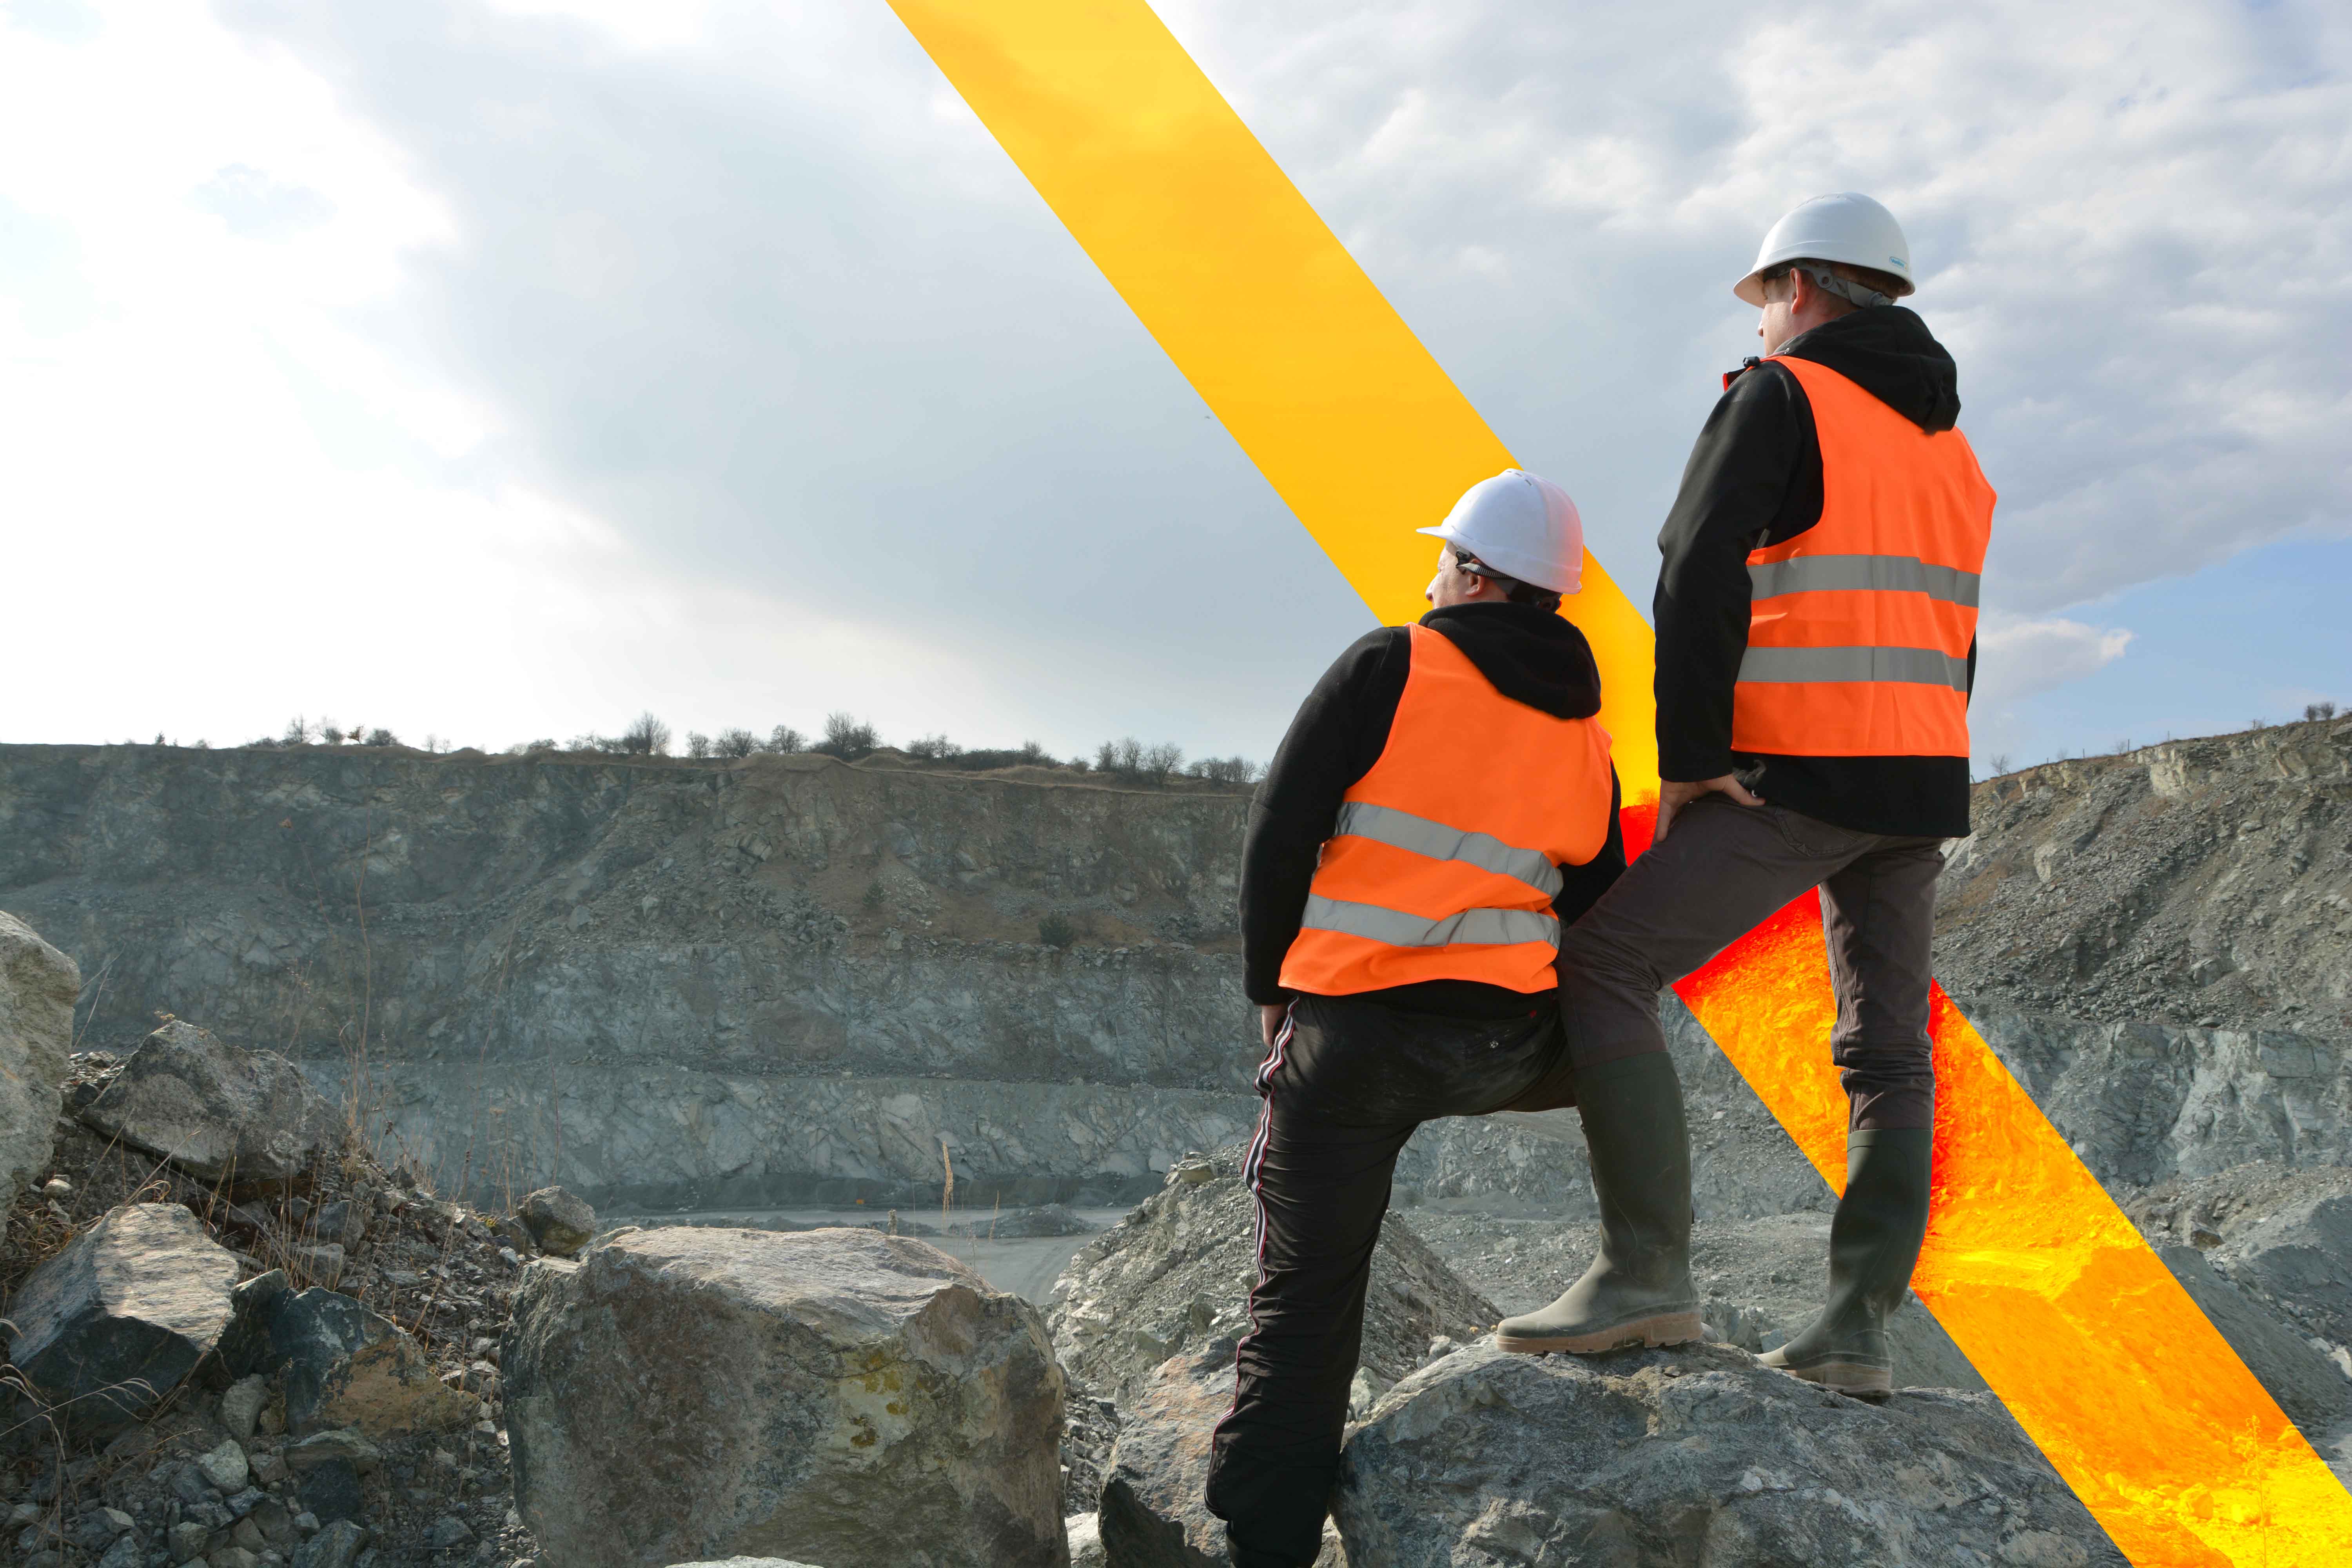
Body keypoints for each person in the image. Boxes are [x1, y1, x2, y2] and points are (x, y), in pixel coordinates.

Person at [1494, 193, 1995, 1397]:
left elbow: (1696, 561)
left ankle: (1644, 1278)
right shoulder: (1953, 450)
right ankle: (1853, 1332)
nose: (1761, 321)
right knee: (1889, 1053)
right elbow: (1954, 631)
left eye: (1765, 297)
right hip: (1920, 780)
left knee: (1605, 964)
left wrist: (1691, 753)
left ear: (1802, 287)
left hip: (1798, 772)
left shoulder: (1782, 397)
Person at [1203, 469, 1627, 1568]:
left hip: (1356, 1034)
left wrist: (1270, 991)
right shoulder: (1587, 729)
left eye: (1444, 558)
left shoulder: (1391, 664)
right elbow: (1601, 902)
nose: (1431, 576)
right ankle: (1645, 1270)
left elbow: (1279, 831)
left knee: (1305, 1300)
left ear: (1476, 575)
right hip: (1510, 1045)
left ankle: (1268, 1542)